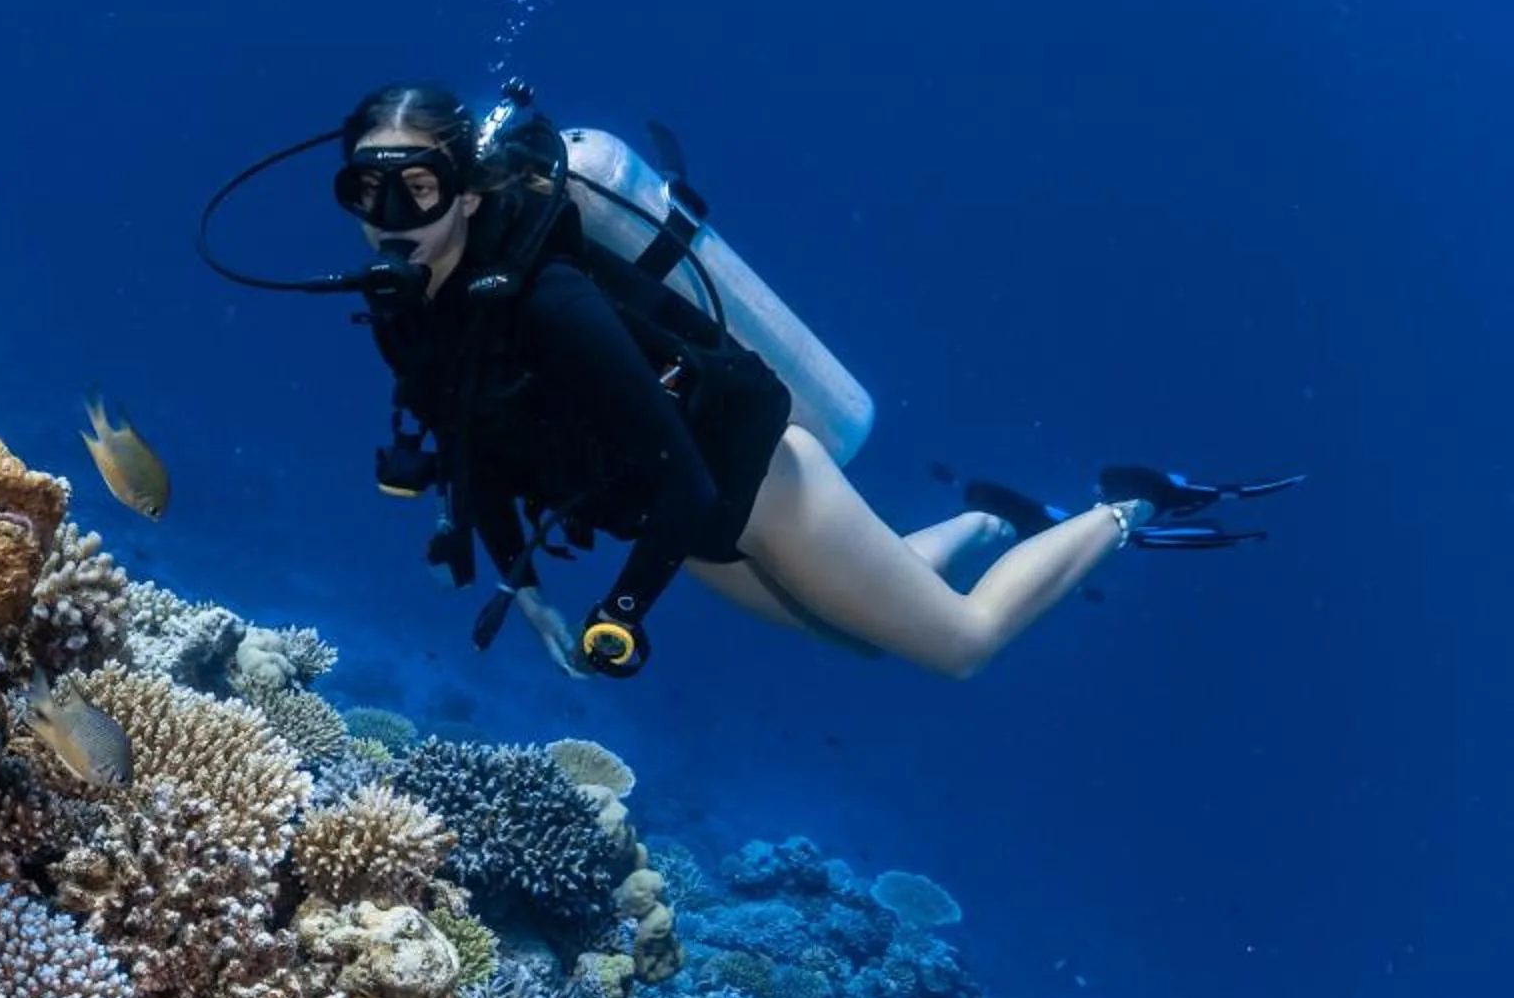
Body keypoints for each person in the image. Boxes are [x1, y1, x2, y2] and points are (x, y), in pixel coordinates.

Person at [318, 83, 1295, 679]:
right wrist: (524, 589)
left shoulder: (550, 298)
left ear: (467, 191)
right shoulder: (410, 310)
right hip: (682, 520)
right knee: (858, 639)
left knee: (960, 645)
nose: (392, 217)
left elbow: (684, 471)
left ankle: (1125, 506)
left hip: (758, 485)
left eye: (418, 188)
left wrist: (619, 613)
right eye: (367, 189)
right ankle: (991, 522)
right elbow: (476, 446)